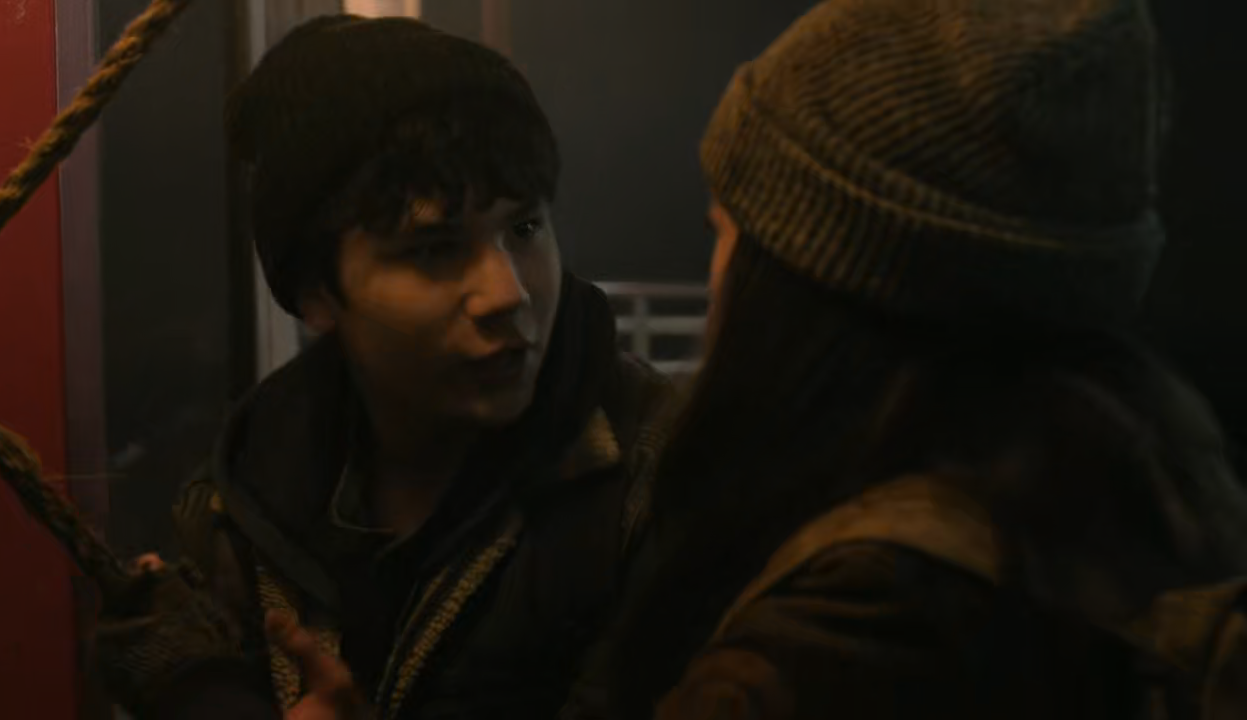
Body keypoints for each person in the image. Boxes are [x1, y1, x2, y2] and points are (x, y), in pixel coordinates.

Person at [590, 0, 1247, 717]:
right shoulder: (1152, 498)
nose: (716, 276)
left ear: (814, 279)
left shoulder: (849, 634)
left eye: (725, 231)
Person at [93, 14, 675, 720]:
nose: (507, 294)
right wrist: (198, 686)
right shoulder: (240, 503)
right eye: (433, 249)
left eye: (524, 227)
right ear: (316, 291)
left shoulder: (665, 473)